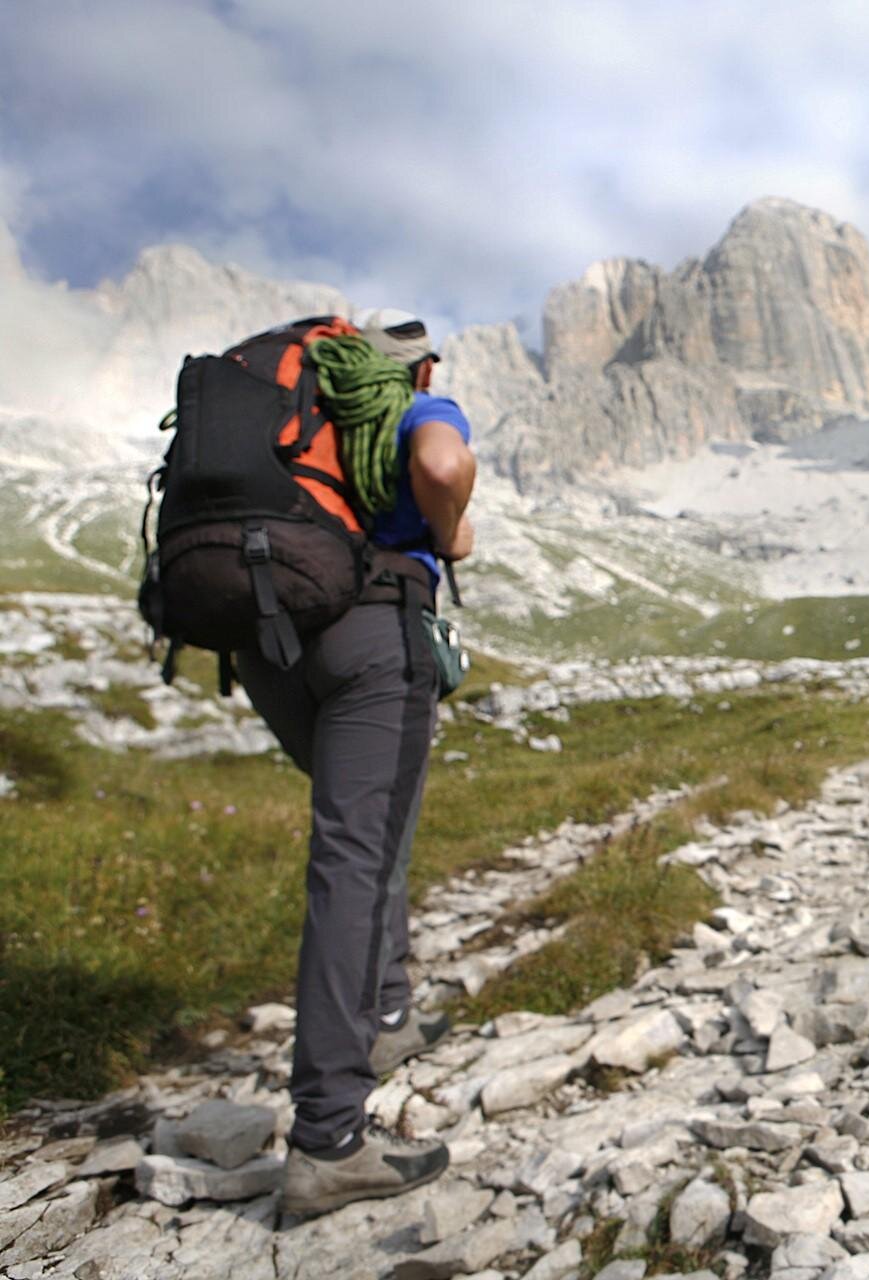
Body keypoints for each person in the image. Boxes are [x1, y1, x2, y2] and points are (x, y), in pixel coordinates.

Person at [238, 308, 477, 1216]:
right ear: (416, 370)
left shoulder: (296, 416)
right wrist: (450, 533)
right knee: (355, 858)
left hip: (269, 641)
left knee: (367, 836)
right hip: (373, 630)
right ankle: (329, 1138)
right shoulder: (415, 401)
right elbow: (444, 468)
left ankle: (386, 1015)